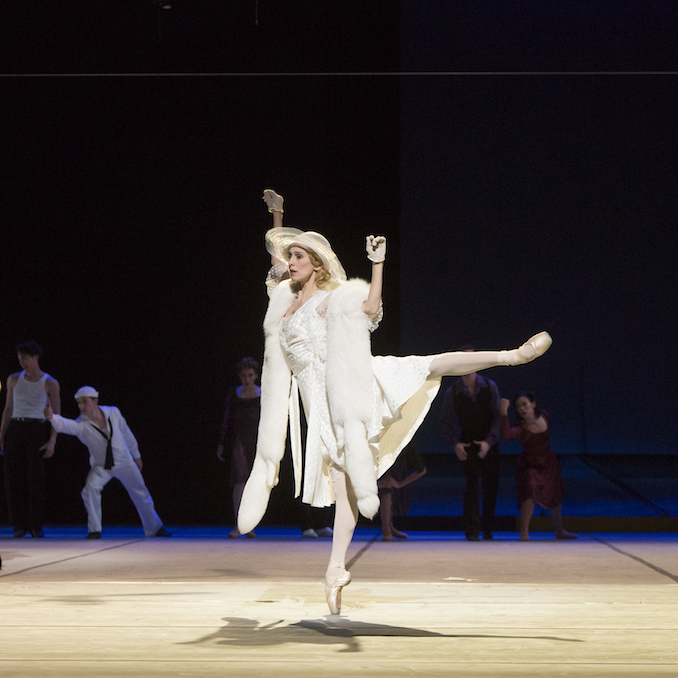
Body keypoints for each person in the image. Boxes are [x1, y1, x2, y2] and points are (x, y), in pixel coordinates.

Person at [238, 189, 553, 615]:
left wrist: (377, 263)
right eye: (289, 257)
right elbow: (274, 260)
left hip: (353, 380)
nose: (290, 262)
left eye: (298, 256)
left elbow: (369, 306)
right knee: (344, 482)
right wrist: (277, 214)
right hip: (320, 402)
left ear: (315, 263)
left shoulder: (330, 298)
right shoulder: (283, 300)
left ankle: (511, 356)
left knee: (430, 365)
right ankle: (335, 570)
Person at [44, 386, 171, 539]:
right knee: (90, 488)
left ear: (95, 401)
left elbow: (126, 433)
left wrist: (136, 456)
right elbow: (66, 425)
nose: (81, 406)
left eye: (85, 402)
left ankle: (155, 528)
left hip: (125, 462)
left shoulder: (113, 413)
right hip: (102, 466)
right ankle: (95, 530)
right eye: (79, 403)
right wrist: (52, 418)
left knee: (141, 492)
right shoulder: (82, 425)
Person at [0, 340, 61, 538]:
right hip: (16, 427)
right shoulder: (13, 379)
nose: (22, 363)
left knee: (36, 479)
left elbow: (57, 416)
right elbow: (8, 408)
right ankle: (18, 525)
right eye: (20, 359)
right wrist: (2, 434)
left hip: (36, 429)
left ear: (35, 357)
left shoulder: (50, 382)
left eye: (25, 359)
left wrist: (52, 441)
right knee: (13, 478)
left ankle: (36, 526)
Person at [440, 351, 501, 541]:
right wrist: (455, 444)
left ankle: (488, 528)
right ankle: (472, 530)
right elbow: (445, 421)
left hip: (488, 442)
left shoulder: (489, 386)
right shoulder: (454, 391)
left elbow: (498, 417)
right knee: (471, 486)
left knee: (491, 485)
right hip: (468, 442)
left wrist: (489, 442)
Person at [500, 392, 577, 541]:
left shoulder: (544, 416)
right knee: (529, 491)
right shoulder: (521, 429)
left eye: (525, 404)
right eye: (518, 406)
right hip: (531, 463)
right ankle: (524, 532)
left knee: (555, 494)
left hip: (548, 462)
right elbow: (507, 435)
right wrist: (504, 411)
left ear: (533, 404)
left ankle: (559, 530)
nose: (522, 409)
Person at [217, 357, 261, 539]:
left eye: (250, 375)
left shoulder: (262, 393)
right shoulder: (234, 394)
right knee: (239, 483)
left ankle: (250, 525)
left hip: (258, 442)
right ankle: (238, 524)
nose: (247, 379)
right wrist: (221, 443)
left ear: (256, 376)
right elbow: (227, 419)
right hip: (239, 442)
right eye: (243, 375)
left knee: (255, 483)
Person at [377, 441, 427, 541]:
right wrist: (377, 484)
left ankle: (389, 527)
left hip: (397, 472)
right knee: (386, 487)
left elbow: (421, 469)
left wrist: (400, 484)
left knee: (389, 484)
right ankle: (386, 528)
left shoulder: (406, 442)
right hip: (376, 470)